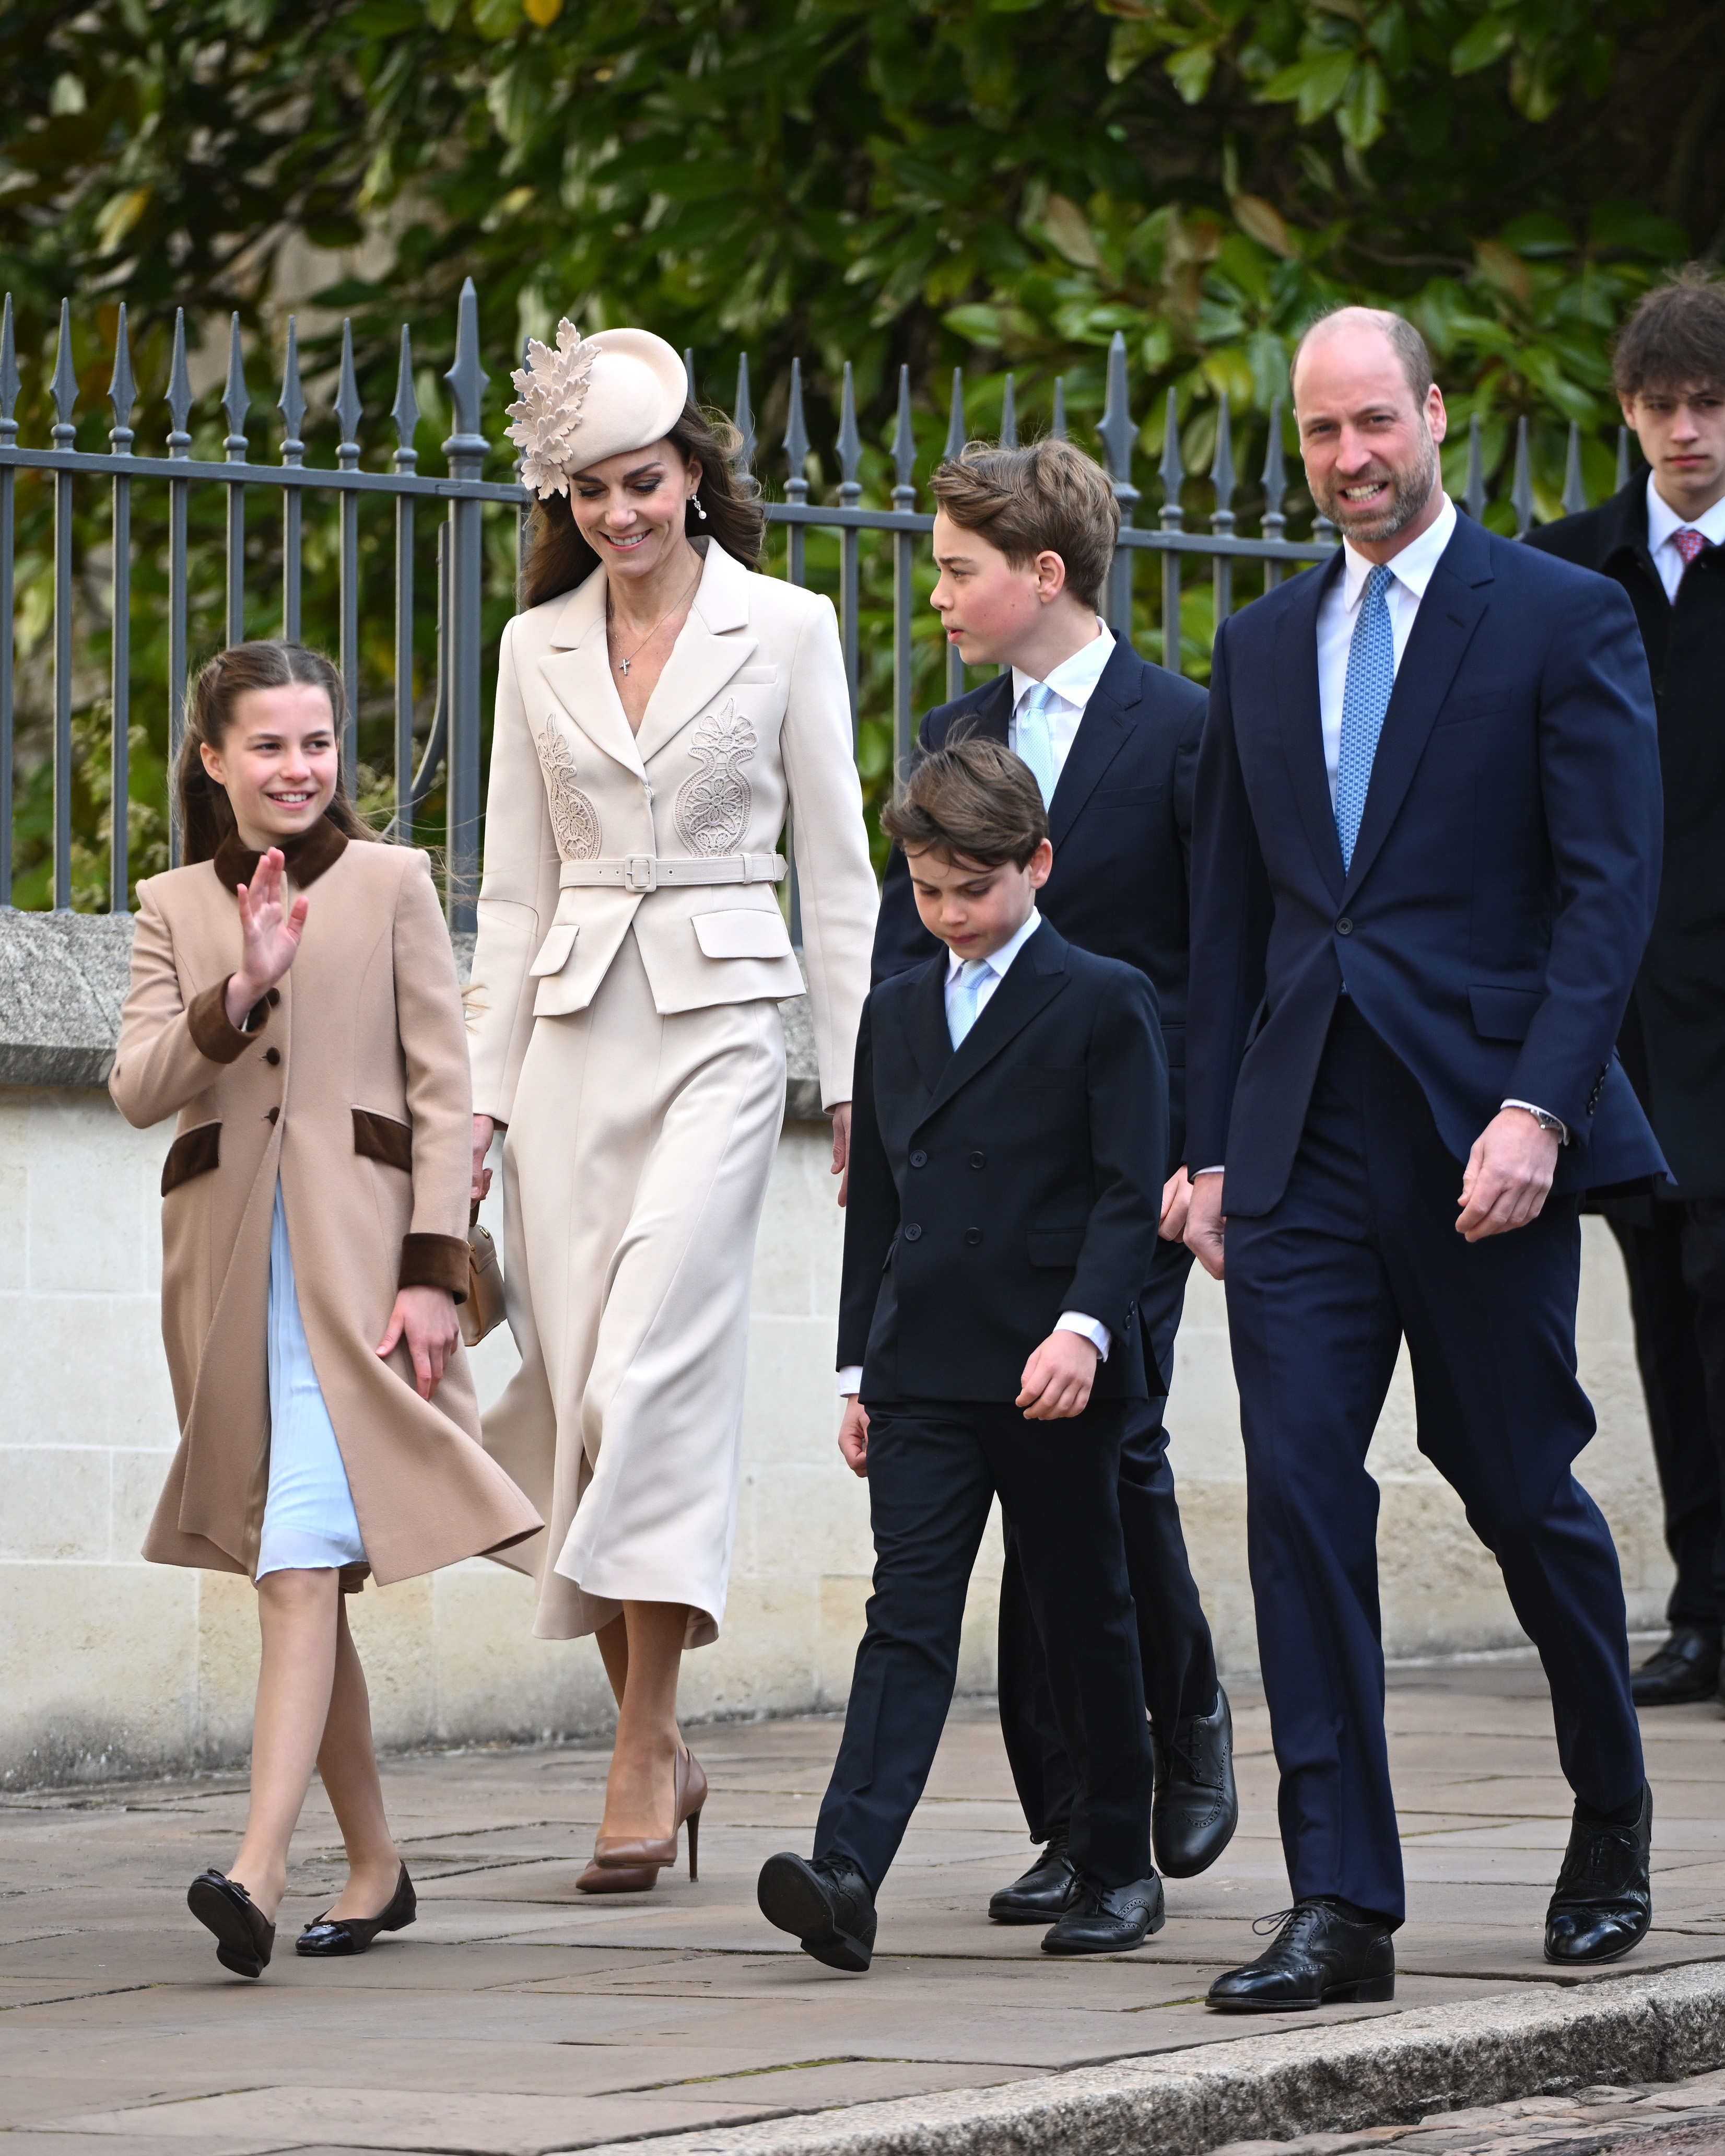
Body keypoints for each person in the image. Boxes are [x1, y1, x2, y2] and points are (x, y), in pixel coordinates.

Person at [1184, 306, 1666, 2008]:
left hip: (1484, 1135)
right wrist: (1203, 1147)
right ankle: (1342, 1902)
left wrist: (1540, 1103)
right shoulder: (1257, 648)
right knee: (1302, 1496)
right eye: (1320, 431)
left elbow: (1609, 890)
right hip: (1301, 1138)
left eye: (1374, 420)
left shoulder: (1556, 614)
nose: (1349, 458)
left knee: (1519, 1482)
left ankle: (1608, 1802)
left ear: (1434, 415)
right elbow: (1231, 918)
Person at [468, 324, 877, 1895]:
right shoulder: (533, 648)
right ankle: (660, 1739)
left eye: (644, 482)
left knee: (646, 1385)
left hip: (719, 1034)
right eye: (591, 492)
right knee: (579, 1409)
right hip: (569, 1050)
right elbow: (507, 899)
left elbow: (840, 879)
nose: (621, 514)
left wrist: (858, 1087)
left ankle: (644, 1747)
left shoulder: (788, 626)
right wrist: (481, 1111)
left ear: (696, 474)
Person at [111, 640, 541, 1981]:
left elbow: (439, 1093)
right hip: (229, 1285)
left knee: (298, 1565)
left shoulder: (395, 882)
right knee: (294, 1570)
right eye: (269, 746)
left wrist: (434, 1273)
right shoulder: (172, 903)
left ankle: (256, 1865)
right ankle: (379, 1866)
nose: (299, 769)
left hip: (361, 1280)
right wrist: (236, 991)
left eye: (316, 743)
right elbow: (135, 1087)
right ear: (213, 759)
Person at [870, 439, 1237, 1921]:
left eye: (957, 567)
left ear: (1042, 572)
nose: (934, 592)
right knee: (1027, 1467)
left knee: (1106, 1451)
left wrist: (1205, 1155)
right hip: (976, 1175)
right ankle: (1074, 1817)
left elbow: (1223, 955)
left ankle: (1182, 1722)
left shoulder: (1187, 729)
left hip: (1127, 1170)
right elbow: (916, 946)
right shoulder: (956, 728)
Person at [757, 736, 1168, 1970]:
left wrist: (1086, 1330)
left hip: (1053, 1367)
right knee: (907, 1617)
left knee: (1081, 1614)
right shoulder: (890, 1011)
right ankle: (844, 1873)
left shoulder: (1103, 996)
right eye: (927, 892)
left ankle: (1115, 1863)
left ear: (1036, 865)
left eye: (972, 890)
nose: (950, 916)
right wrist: (855, 1373)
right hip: (924, 1367)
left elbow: (1125, 1187)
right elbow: (874, 1206)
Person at [1526, 269, 1725, 1711]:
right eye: (1662, 405)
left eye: (1711, 404)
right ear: (1627, 412)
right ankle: (1704, 1603)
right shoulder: (1570, 572)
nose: (1687, 432)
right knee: (1661, 1299)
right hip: (1628, 1014)